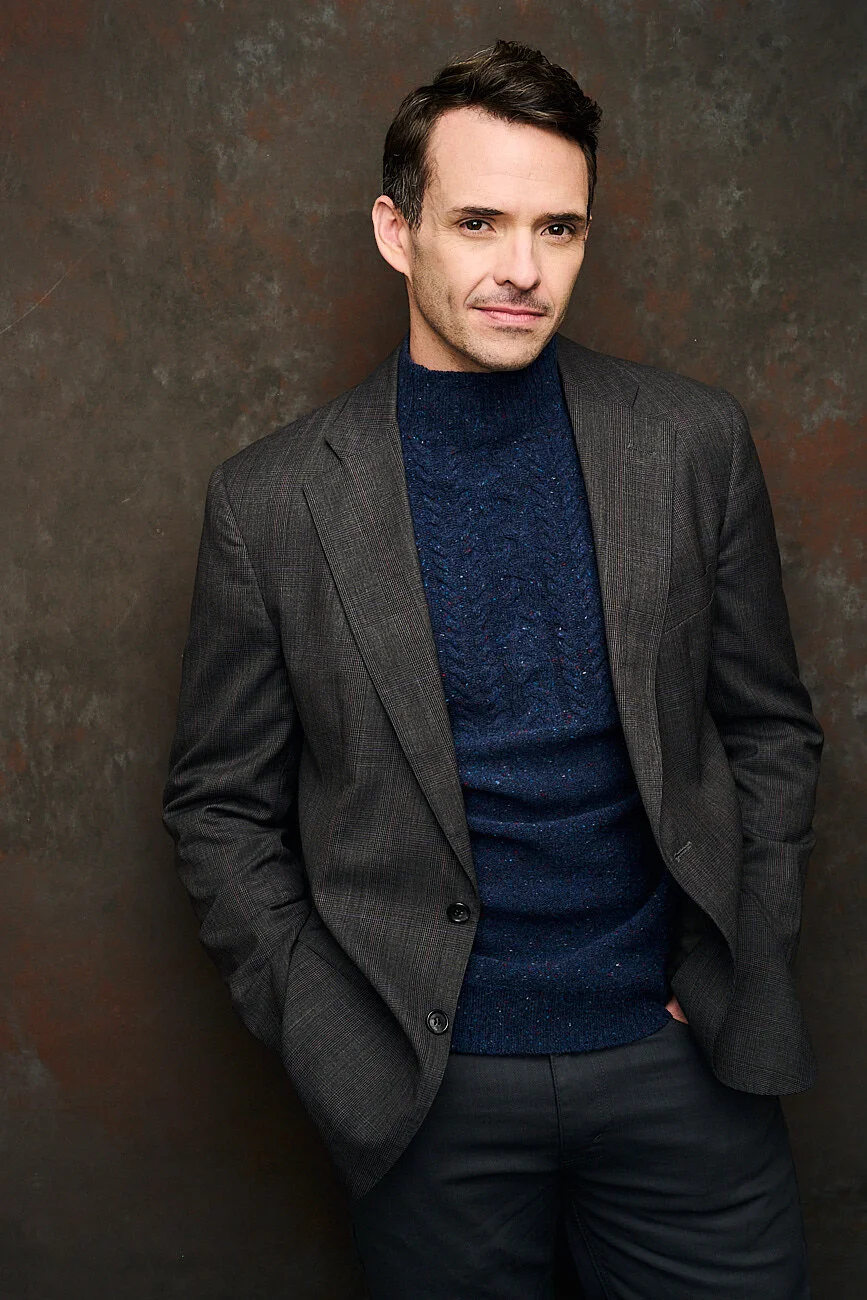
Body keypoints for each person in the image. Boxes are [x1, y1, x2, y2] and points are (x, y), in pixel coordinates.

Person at [163, 40, 822, 1299]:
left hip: (680, 1064)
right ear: (396, 230)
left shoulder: (689, 445)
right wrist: (335, 1037)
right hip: (427, 1091)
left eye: (557, 228)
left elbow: (771, 732)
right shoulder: (274, 503)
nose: (523, 267)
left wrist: (740, 961)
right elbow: (217, 807)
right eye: (479, 222)